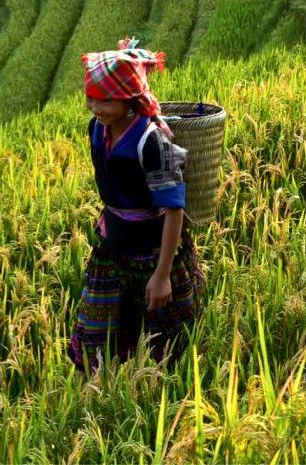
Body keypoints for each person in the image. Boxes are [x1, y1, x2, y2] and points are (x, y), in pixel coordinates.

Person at [67, 40, 205, 374]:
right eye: (91, 98)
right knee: (99, 330)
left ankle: (156, 390)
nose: (97, 107)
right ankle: (104, 385)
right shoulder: (97, 130)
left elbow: (174, 208)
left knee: (164, 335)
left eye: (107, 100)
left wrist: (162, 275)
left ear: (129, 99)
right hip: (113, 241)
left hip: (152, 247)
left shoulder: (151, 140)